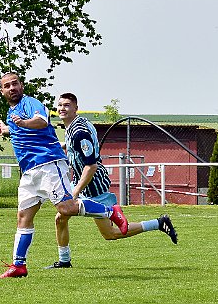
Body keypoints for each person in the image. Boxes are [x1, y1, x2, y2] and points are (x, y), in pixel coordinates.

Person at [0, 72, 128, 278]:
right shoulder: (11, 113)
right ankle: (18, 266)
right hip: (29, 171)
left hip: (48, 164)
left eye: (15, 84)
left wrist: (21, 123)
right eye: (7, 86)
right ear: (2, 91)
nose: (12, 88)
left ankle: (111, 212)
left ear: (21, 86)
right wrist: (8, 129)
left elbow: (40, 122)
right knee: (23, 217)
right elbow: (21, 132)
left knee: (66, 208)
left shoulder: (30, 103)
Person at [46, 92, 178, 269]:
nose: (62, 108)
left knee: (110, 234)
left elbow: (90, 166)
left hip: (93, 186)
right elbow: (75, 147)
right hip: (81, 181)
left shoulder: (79, 132)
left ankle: (158, 223)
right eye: (60, 105)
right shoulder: (73, 127)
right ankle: (64, 260)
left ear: (76, 108)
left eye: (67, 105)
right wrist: (59, 147)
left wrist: (75, 191)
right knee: (60, 218)